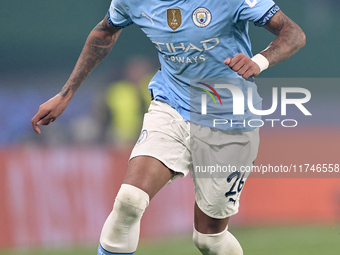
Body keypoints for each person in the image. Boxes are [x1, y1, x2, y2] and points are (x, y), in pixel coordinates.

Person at [31, 0, 305, 254]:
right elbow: (104, 32)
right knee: (129, 202)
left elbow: (293, 32)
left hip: (229, 118)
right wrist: (65, 94)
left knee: (209, 239)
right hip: (171, 105)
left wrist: (258, 61)